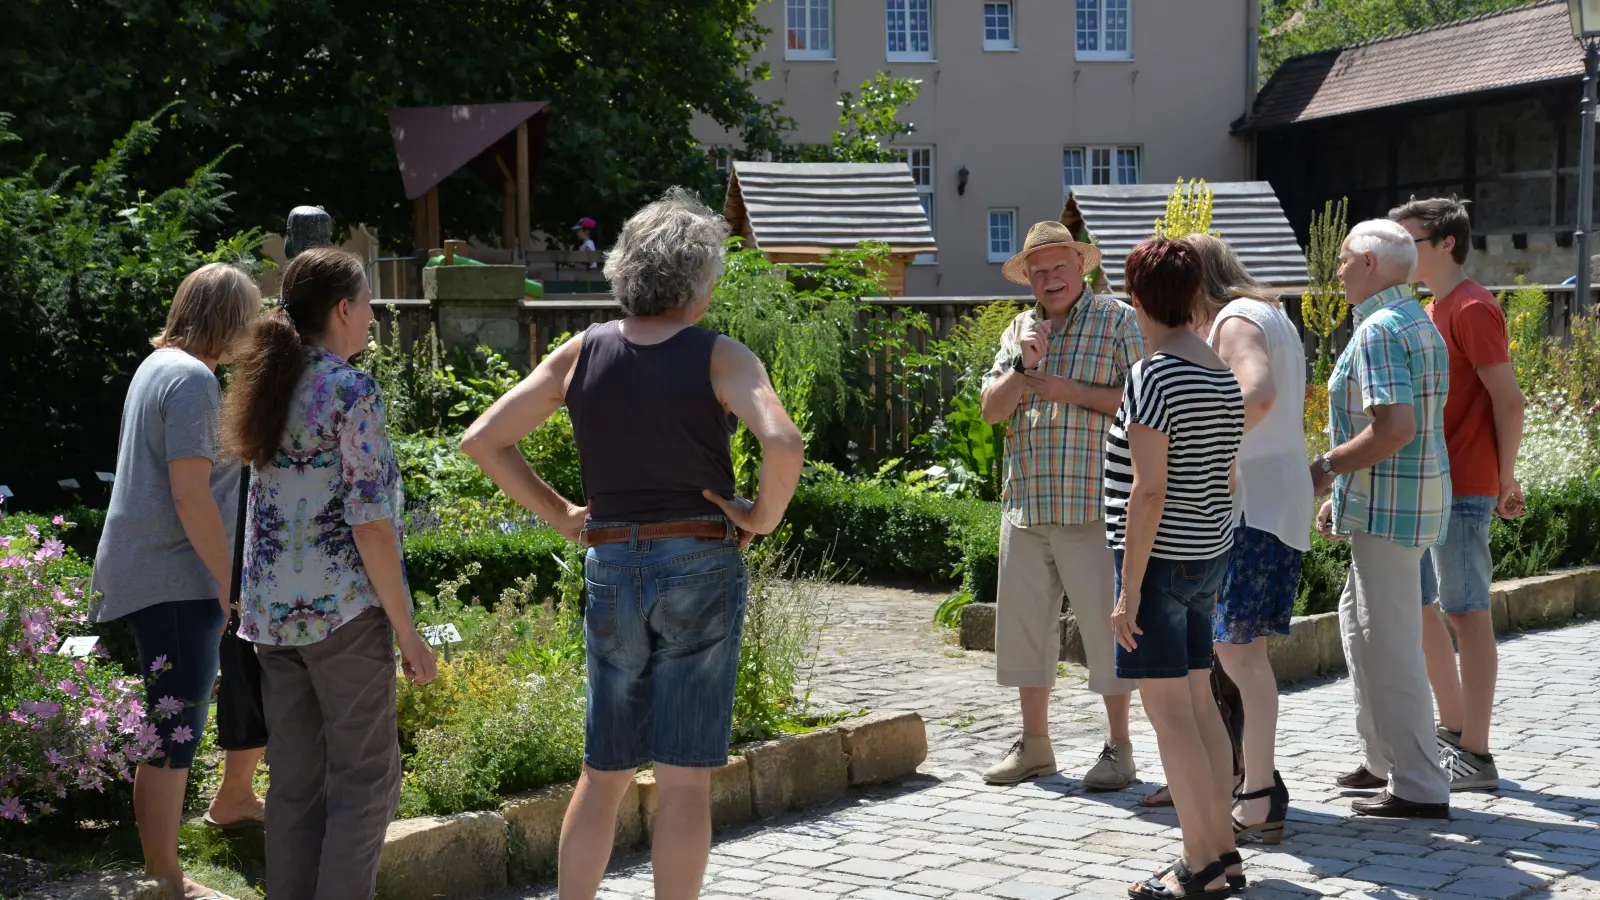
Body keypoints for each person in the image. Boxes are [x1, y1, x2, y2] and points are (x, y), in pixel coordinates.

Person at [461, 187, 804, 900]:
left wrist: (560, 513)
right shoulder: (719, 356)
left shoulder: (582, 351)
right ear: (699, 282)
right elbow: (783, 441)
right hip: (701, 560)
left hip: (613, 560)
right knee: (683, 781)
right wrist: (760, 518)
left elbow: (483, 439)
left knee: (604, 770)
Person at [223, 247, 438, 900]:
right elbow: (371, 525)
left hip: (270, 621)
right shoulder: (350, 390)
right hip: (342, 618)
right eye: (367, 302)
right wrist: (408, 632)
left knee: (293, 784)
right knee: (365, 780)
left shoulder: (269, 381)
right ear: (343, 310)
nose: (371, 315)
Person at [90, 263, 266, 900]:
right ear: (228, 320)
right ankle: (166, 878)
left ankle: (164, 866)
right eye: (249, 317)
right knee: (174, 730)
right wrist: (228, 584)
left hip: (155, 573)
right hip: (175, 578)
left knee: (171, 725)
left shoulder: (157, 367)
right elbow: (192, 495)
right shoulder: (191, 381)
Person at [979, 220, 1145, 791]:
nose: (1049, 278)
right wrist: (1025, 373)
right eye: (1038, 270)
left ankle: (1119, 749)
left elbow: (1147, 400)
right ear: (1027, 278)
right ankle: (1036, 747)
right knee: (1025, 632)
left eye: (1059, 267)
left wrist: (1070, 391)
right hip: (1025, 503)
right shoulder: (1019, 328)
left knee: (1106, 633)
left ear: (1082, 268)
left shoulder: (1118, 320)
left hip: (1094, 503)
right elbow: (990, 411)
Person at [1105, 237, 1245, 900]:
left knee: (1171, 718)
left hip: (1159, 563)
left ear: (1135, 298)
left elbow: (1149, 489)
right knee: (1200, 706)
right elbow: (1223, 474)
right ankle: (1223, 852)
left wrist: (1127, 590)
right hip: (1207, 556)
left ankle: (1198, 866)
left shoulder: (1152, 374)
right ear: (1195, 296)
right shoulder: (1219, 370)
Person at [1313, 219, 1452, 819]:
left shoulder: (1379, 329)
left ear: (1369, 262)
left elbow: (1393, 429)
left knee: (1389, 643)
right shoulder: (1416, 318)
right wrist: (1340, 491)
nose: (1337, 269)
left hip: (1391, 512)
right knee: (1360, 624)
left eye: (1344, 259)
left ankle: (1419, 784)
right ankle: (1380, 757)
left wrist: (1322, 469)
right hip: (1404, 502)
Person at [1391, 197, 1523, 792]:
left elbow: (1509, 398)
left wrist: (1507, 477)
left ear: (1446, 243)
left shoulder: (1471, 307)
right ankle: (1454, 730)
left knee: (1466, 613)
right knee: (1425, 609)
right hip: (1429, 483)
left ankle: (1477, 752)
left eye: (1409, 240)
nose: (1398, 251)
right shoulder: (1431, 306)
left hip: (1464, 485)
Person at [1195, 234, 1305, 841]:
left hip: (1253, 505)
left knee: (1240, 656)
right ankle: (1258, 784)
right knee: (1246, 656)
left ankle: (1258, 792)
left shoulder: (1235, 320)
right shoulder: (1272, 314)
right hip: (1276, 499)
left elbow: (1256, 391)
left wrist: (1207, 444)